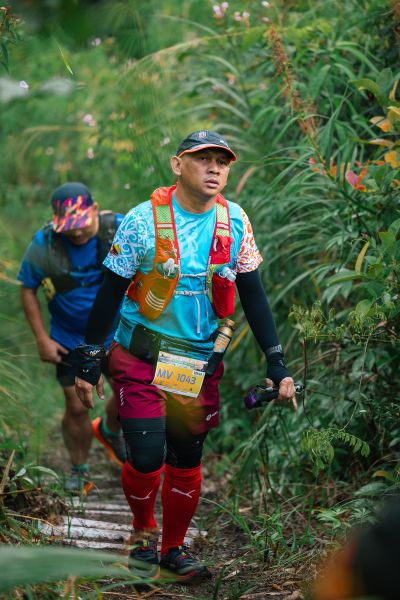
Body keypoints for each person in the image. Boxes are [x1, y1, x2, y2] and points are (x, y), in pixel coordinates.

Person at [74, 131, 296, 584]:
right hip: (141, 357)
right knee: (147, 454)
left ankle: (173, 549)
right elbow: (111, 291)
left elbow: (254, 296)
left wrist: (276, 361)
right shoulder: (142, 221)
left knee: (186, 458)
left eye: (222, 162)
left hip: (196, 364)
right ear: (178, 165)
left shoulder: (235, 222)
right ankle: (143, 533)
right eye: (203, 159)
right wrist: (91, 356)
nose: (214, 168)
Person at [18, 182, 126, 492]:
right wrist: (42, 338)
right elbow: (27, 288)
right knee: (77, 407)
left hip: (117, 332)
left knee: (129, 395)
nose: (76, 232)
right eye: (69, 226)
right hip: (69, 338)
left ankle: (109, 430)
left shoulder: (119, 229)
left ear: (95, 210)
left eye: (82, 223)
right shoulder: (45, 243)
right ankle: (79, 470)